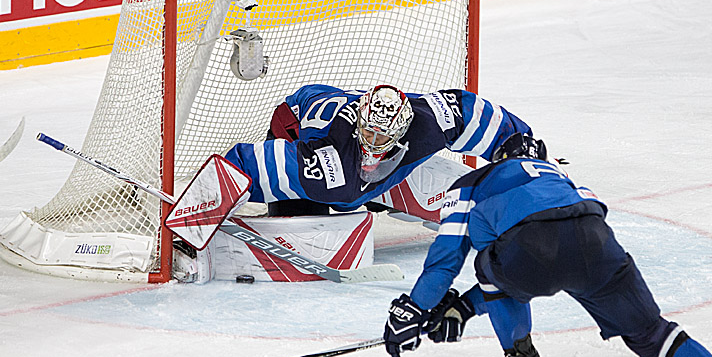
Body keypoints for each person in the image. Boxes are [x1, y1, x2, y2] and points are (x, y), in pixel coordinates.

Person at [381, 132, 712, 357]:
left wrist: (420, 309)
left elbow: (445, 263)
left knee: (489, 266)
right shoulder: (564, 178)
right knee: (654, 334)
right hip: (596, 243)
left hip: (526, 251)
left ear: (499, 157)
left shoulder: (473, 182)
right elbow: (577, 235)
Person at [222, 83, 532, 217]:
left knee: (355, 187)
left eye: (381, 136)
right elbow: (248, 164)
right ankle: (367, 193)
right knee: (312, 212)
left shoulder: (428, 122)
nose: (372, 141)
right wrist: (215, 197)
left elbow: (471, 112)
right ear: (359, 123)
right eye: (368, 132)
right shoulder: (328, 160)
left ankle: (382, 189)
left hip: (354, 163)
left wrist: (520, 147)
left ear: (400, 131)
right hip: (294, 127)